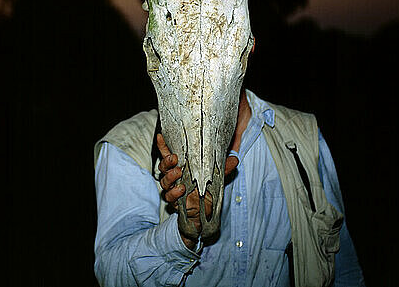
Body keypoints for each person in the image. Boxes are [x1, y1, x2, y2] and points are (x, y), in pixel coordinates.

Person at [94, 86, 365, 286]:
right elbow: (113, 275)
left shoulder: (301, 137)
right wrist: (183, 233)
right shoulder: (128, 147)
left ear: (245, 43)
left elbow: (343, 270)